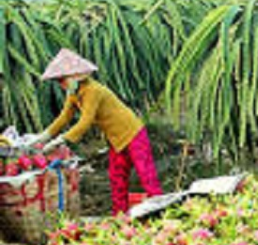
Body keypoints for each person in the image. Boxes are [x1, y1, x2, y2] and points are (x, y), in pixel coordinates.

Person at [30, 49, 163, 216]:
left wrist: (62, 140)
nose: (61, 84)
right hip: (115, 139)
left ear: (75, 76)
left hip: (133, 133)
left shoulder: (93, 91)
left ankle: (161, 212)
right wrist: (45, 136)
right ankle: (119, 217)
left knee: (146, 175)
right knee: (117, 178)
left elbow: (85, 121)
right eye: (58, 81)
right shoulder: (74, 93)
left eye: (62, 80)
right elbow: (64, 117)